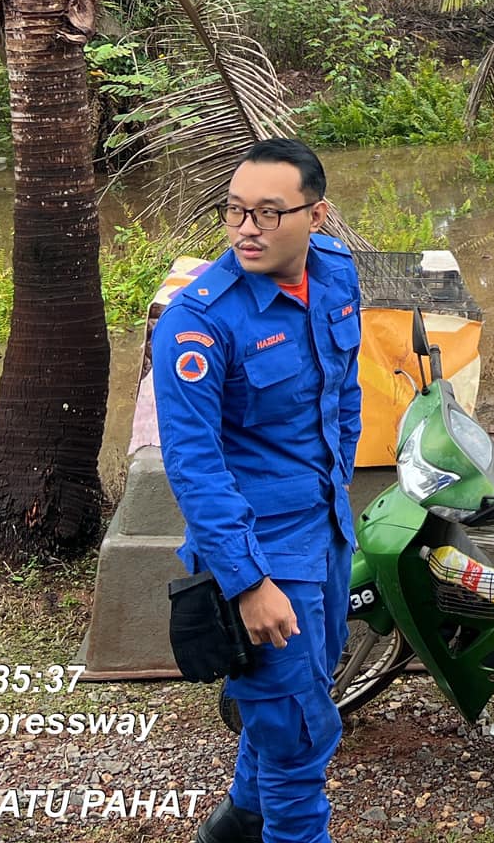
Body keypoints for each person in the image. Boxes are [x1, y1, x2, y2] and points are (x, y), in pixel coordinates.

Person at [153, 138, 363, 843]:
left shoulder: (335, 275)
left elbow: (346, 393)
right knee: (300, 734)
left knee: (302, 690)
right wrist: (246, 584)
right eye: (236, 211)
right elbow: (195, 467)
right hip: (259, 551)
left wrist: (341, 490)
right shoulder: (199, 323)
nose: (247, 228)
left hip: (325, 531)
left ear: (316, 215)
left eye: (269, 213)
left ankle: (236, 824)